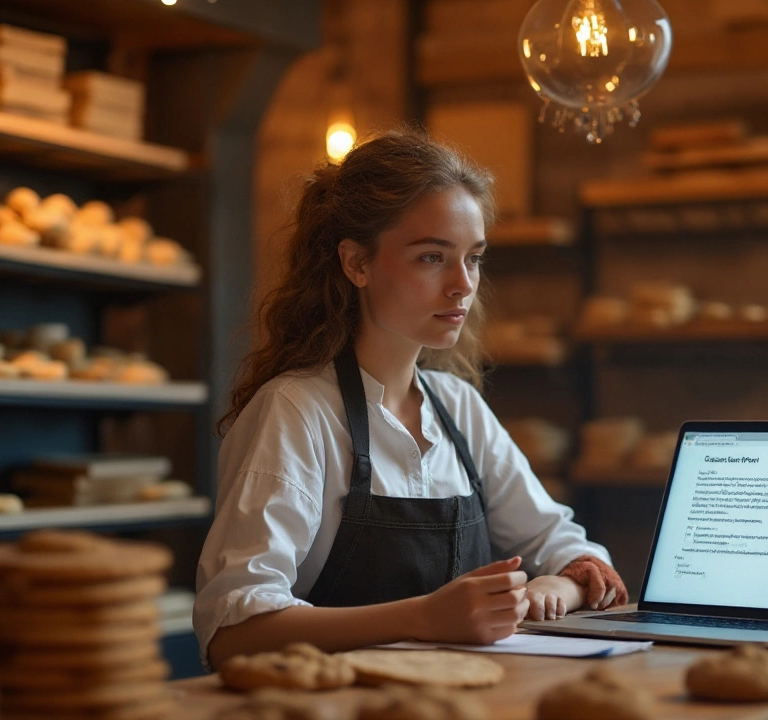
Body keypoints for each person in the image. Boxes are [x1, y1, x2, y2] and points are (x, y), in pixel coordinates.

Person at [195, 129, 627, 668]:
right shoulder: (296, 412)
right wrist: (424, 617)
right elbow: (232, 629)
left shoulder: (459, 407)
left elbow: (566, 544)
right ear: (356, 263)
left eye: (473, 258)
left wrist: (554, 589)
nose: (462, 285)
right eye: (431, 257)